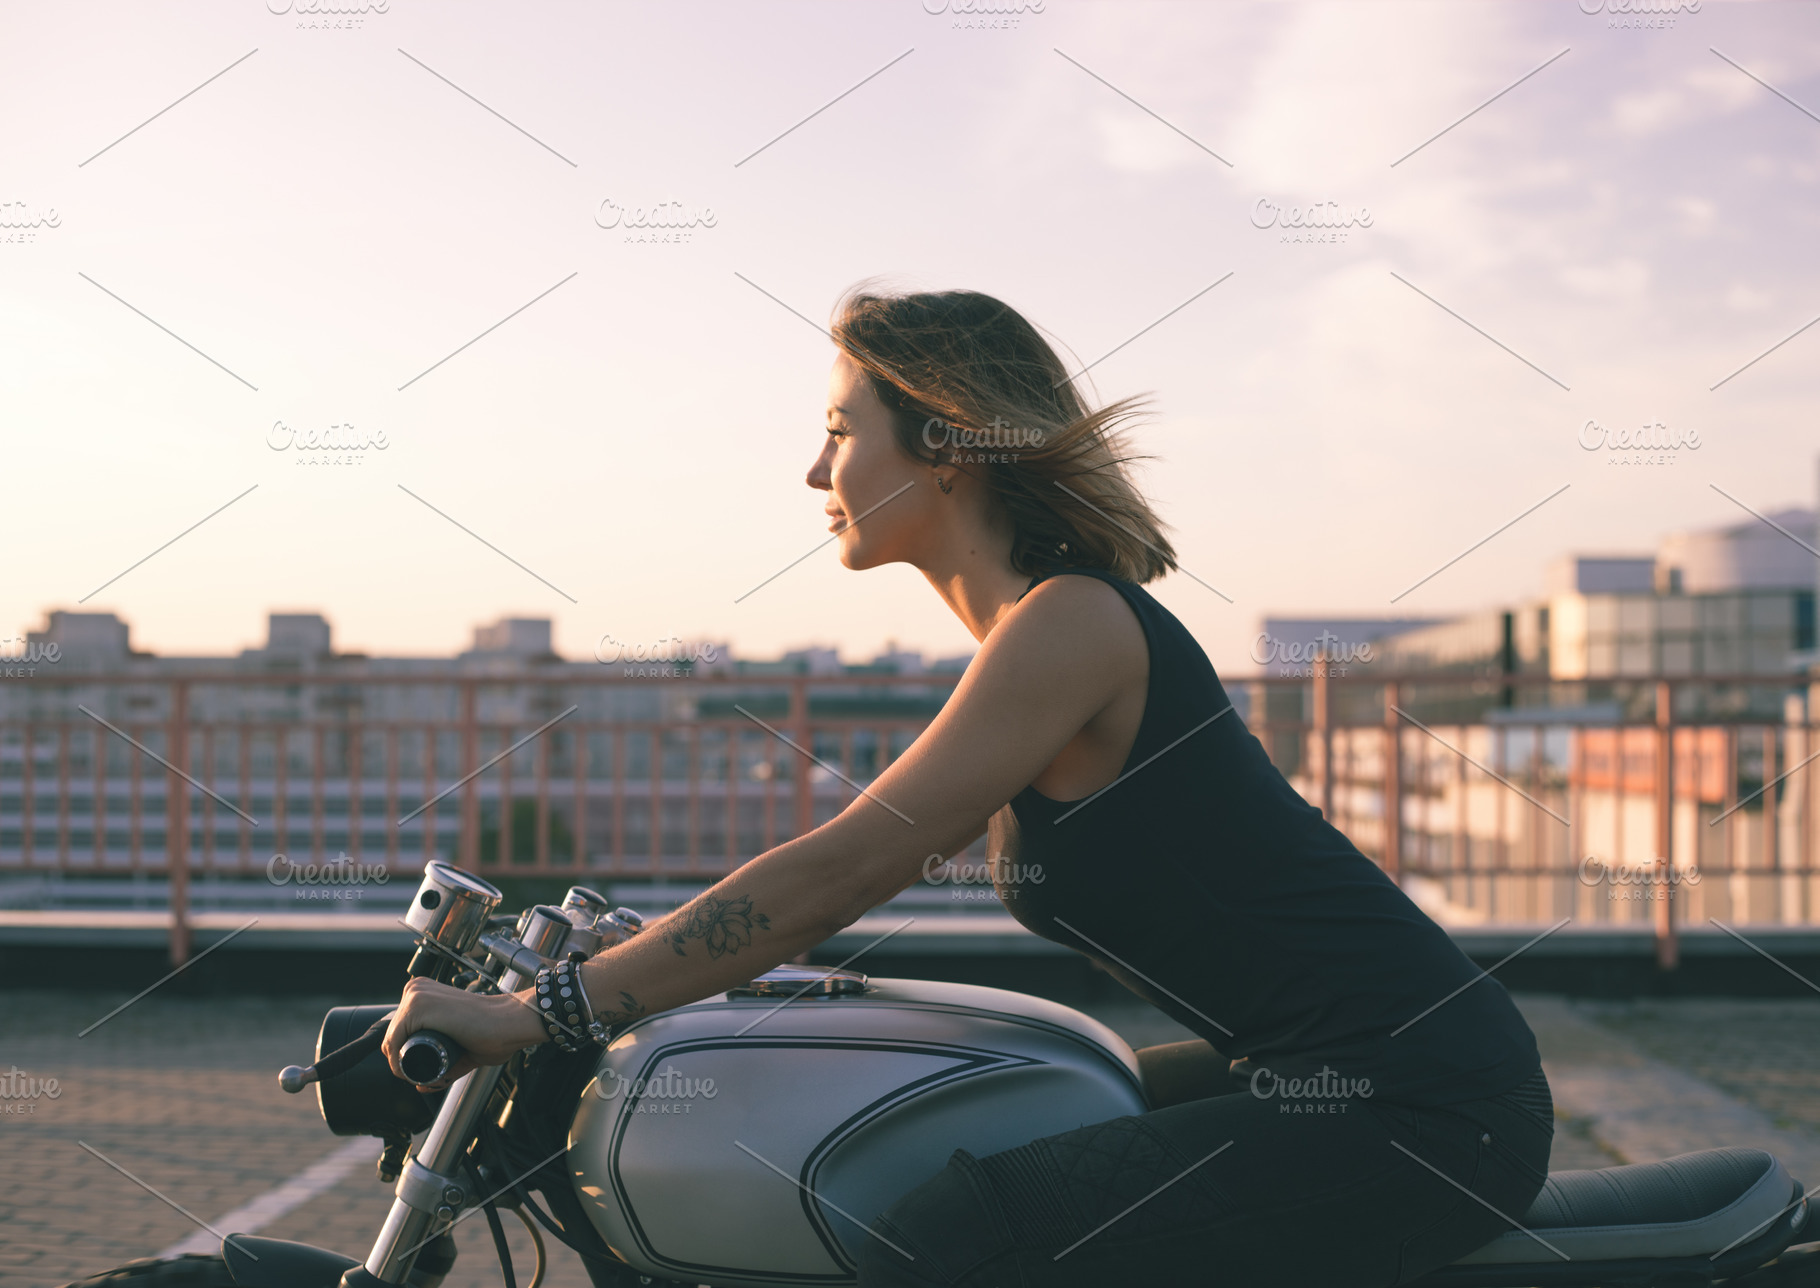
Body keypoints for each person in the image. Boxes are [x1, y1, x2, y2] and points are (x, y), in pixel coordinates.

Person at [382, 284, 1554, 1287]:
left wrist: (544, 1013)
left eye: (839, 430)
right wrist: (654, 967)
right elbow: (840, 871)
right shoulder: (1039, 629)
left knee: (944, 1236)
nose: (811, 469)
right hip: (1308, 1076)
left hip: (1423, 1112)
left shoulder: (1073, 625)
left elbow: (850, 862)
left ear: (944, 444)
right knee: (992, 1118)